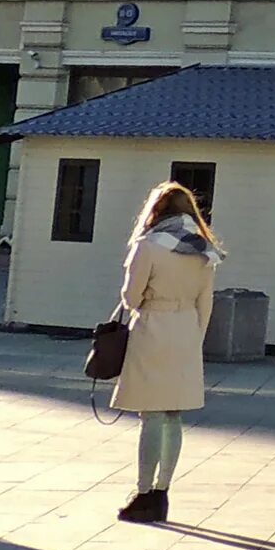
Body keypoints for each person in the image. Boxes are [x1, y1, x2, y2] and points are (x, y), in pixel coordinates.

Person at [110, 180, 221, 524]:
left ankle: (143, 494)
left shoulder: (148, 246)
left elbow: (131, 297)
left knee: (152, 415)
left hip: (154, 327)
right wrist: (193, 336)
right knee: (174, 416)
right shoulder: (203, 249)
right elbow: (207, 302)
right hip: (187, 328)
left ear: (156, 211)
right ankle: (163, 490)